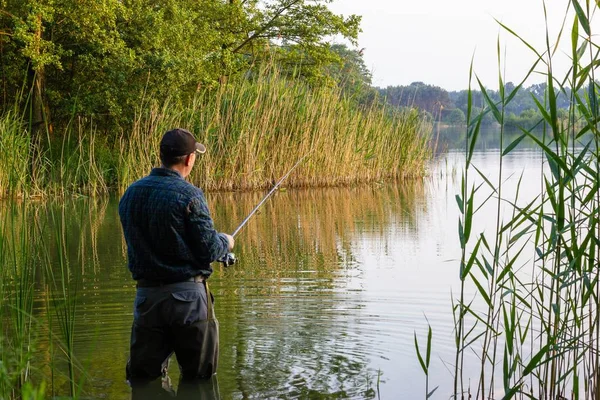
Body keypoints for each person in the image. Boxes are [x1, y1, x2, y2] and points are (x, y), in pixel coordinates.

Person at [119, 128, 234, 386]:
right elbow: (209, 249)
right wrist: (225, 242)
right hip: (189, 301)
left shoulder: (130, 194)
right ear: (189, 159)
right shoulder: (190, 195)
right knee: (200, 379)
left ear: (161, 155)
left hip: (147, 300)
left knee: (144, 379)